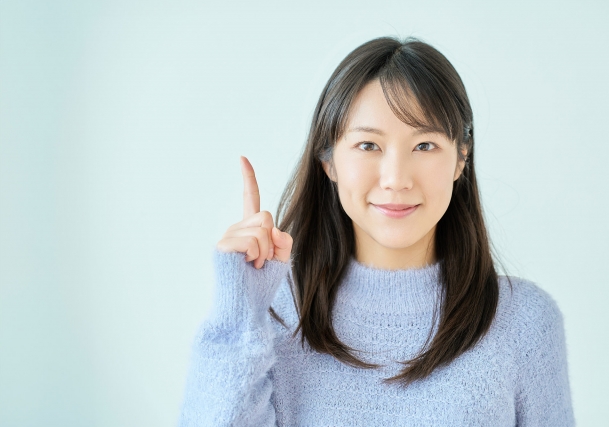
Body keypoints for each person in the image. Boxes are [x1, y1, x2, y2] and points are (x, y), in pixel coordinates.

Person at [177, 36, 574, 426]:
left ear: (461, 159)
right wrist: (240, 313)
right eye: (368, 145)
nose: (396, 179)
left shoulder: (525, 321)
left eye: (424, 145)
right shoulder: (274, 313)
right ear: (329, 161)